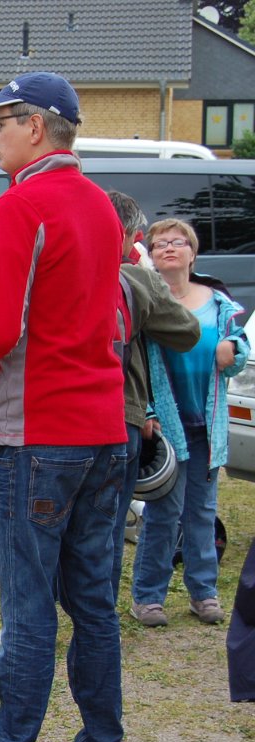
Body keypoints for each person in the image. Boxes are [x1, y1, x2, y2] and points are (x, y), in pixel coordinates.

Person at [0, 72, 128, 742]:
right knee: (93, 608)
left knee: (27, 614)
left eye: (4, 118)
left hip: (42, 432)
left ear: (38, 127)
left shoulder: (21, 206)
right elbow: (113, 319)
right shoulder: (104, 208)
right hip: (105, 429)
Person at [130, 218, 248, 627]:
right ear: (152, 255)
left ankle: (204, 594)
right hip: (166, 426)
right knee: (163, 511)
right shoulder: (147, 303)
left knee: (202, 511)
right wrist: (145, 412)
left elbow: (242, 348)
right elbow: (135, 364)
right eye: (160, 243)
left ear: (192, 254)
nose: (169, 248)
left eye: (178, 242)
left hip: (207, 425)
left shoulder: (219, 303)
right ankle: (147, 597)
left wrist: (233, 346)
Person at [105, 193, 199, 607]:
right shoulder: (135, 276)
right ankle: (96, 622)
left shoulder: (52, 262)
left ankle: (36, 620)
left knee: (45, 529)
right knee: (105, 529)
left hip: (51, 413)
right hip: (117, 414)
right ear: (136, 236)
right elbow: (185, 330)